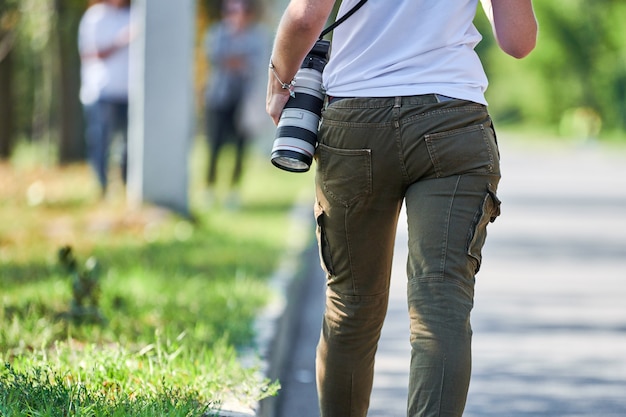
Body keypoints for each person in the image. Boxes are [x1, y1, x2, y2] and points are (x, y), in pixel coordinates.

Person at [266, 1, 537, 416]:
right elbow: (518, 41)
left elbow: (305, 17)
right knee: (441, 302)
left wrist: (279, 82)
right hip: (453, 122)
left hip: (355, 122)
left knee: (351, 305)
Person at [203, 0, 268, 207]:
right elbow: (215, 57)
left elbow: (257, 63)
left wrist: (232, 60)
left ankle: (233, 191)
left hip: (245, 101)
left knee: (241, 147)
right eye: (231, 11)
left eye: (239, 11)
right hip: (219, 98)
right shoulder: (217, 33)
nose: (235, 16)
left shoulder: (257, 36)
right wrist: (237, 60)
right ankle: (209, 187)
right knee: (214, 145)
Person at [78, 0, 131, 197]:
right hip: (102, 92)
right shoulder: (95, 16)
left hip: (129, 92)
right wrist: (122, 40)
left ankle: (127, 187)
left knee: (128, 144)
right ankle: (102, 187)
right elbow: (91, 52)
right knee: (101, 141)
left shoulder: (132, 16)